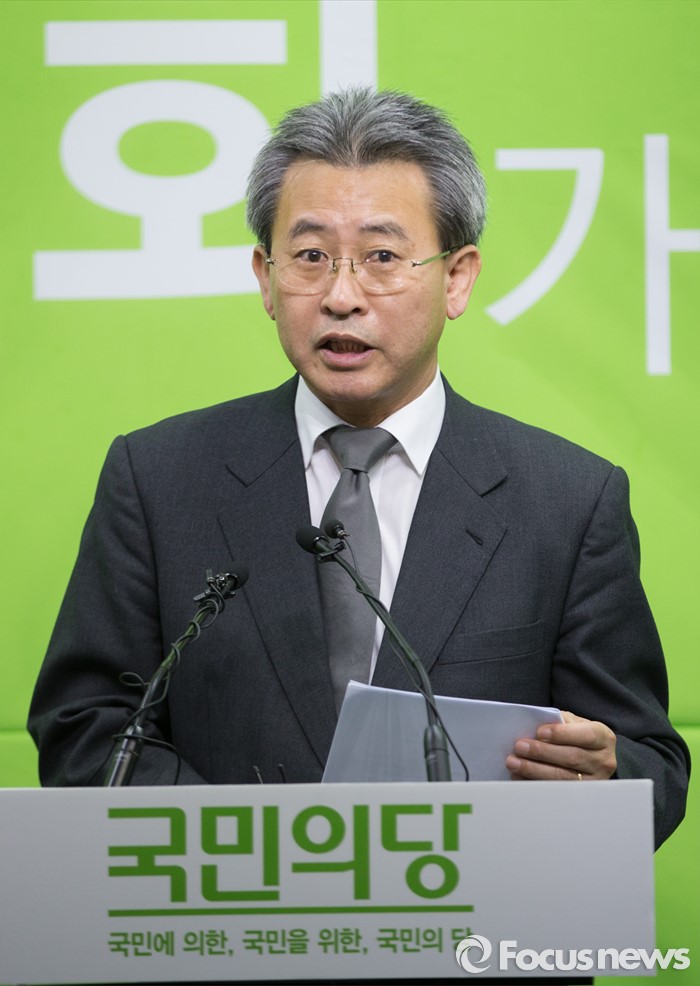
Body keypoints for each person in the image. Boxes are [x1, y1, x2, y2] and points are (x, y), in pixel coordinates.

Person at [28, 88, 689, 849]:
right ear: (265, 277)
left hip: (471, 912)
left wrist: (605, 778)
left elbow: (649, 766)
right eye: (310, 257)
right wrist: (265, 852)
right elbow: (84, 730)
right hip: (236, 912)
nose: (342, 297)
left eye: (382, 257)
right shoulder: (158, 479)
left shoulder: (567, 501)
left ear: (458, 278)